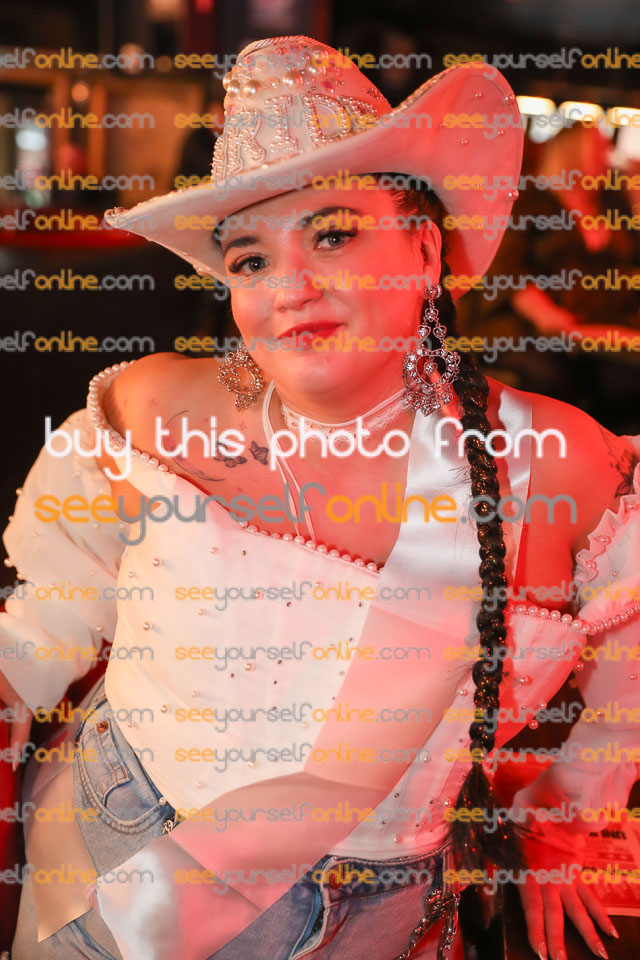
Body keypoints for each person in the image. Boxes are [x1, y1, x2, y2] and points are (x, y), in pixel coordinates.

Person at [2, 36, 639, 960]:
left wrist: (567, 815)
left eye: (332, 235)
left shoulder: (562, 464)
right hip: (106, 872)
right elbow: (47, 619)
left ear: (425, 249)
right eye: (249, 260)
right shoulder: (154, 408)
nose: (289, 289)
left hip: (388, 928)